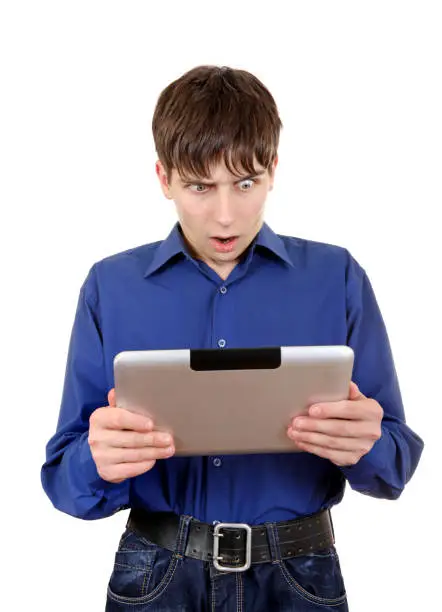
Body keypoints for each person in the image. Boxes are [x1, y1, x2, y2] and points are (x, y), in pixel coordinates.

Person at [41, 65, 424, 611]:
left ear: (272, 171)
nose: (226, 214)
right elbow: (64, 482)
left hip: (300, 577)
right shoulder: (110, 286)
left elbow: (395, 466)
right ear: (164, 178)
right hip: (156, 578)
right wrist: (97, 459)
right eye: (200, 186)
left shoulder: (336, 277)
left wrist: (369, 445)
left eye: (245, 183)